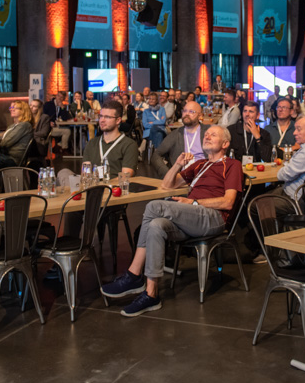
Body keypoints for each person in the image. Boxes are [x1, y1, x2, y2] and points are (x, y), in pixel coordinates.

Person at [101, 125, 243, 317]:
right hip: (192, 218)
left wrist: (193, 201)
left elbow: (228, 202)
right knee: (155, 226)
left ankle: (134, 274)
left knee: (154, 206)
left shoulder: (232, 164)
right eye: (206, 134)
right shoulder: (199, 164)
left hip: (213, 217)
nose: (207, 136)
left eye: (213, 135)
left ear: (225, 143)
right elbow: (167, 185)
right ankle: (151, 293)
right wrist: (176, 164)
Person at [152, 101, 208, 177]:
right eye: (185, 111)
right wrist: (167, 174)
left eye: (191, 111)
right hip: (181, 178)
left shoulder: (208, 133)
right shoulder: (175, 134)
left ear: (200, 115)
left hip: (205, 175)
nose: (187, 114)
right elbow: (156, 155)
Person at [0, 101, 33, 168]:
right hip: (6, 156)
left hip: (13, 159)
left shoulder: (24, 125)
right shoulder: (12, 126)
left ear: (23, 111)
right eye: (11, 107)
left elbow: (5, 143)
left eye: (15, 108)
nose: (12, 109)